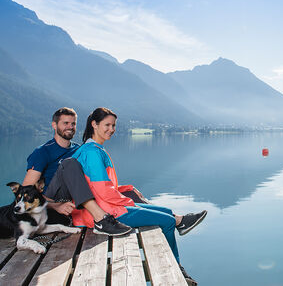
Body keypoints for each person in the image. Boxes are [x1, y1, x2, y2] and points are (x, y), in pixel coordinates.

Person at [71, 107, 206, 285]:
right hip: (110, 213)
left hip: (110, 205)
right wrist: (129, 202)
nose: (111, 129)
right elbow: (103, 190)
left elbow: (97, 185)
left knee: (166, 210)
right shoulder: (92, 152)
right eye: (107, 125)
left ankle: (181, 225)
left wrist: (128, 189)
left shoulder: (91, 149)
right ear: (94, 124)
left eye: (113, 125)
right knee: (168, 221)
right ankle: (176, 267)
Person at [23, 107, 131, 235]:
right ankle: (100, 219)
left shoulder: (79, 149)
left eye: (73, 123)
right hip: (50, 206)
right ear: (54, 125)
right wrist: (55, 205)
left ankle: (101, 217)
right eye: (65, 123)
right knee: (69, 163)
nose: (70, 127)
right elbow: (26, 192)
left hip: (75, 206)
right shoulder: (42, 152)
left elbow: (91, 183)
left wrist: (126, 189)